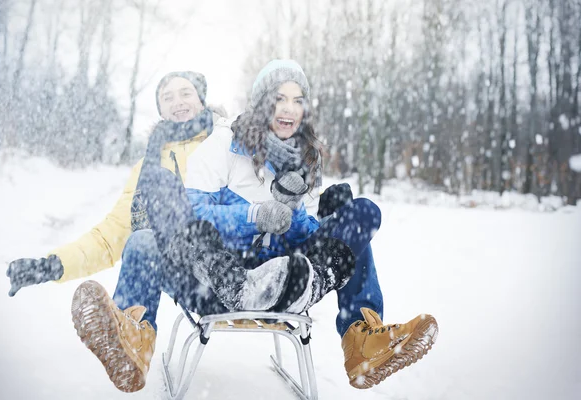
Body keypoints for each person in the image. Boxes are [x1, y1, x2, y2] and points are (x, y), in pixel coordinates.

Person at [184, 59, 439, 389]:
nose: (289, 108)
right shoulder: (224, 144)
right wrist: (254, 216)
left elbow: (302, 233)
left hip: (293, 270)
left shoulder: (301, 158)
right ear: (261, 102)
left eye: (298, 100)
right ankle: (357, 333)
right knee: (341, 224)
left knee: (359, 211)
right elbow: (191, 213)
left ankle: (361, 336)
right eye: (279, 98)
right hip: (231, 273)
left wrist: (313, 216)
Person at [5, 71, 232, 392]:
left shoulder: (228, 142)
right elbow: (111, 234)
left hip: (234, 273)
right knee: (141, 241)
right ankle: (132, 339)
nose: (177, 102)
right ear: (160, 110)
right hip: (190, 279)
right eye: (167, 97)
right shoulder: (149, 164)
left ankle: (131, 334)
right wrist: (51, 265)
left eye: (185, 93)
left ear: (201, 99)